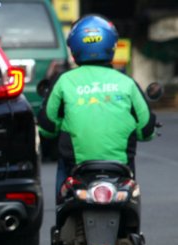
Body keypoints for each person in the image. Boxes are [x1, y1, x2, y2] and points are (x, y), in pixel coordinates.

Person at [37, 14, 157, 198]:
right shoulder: (127, 83)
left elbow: (47, 127)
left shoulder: (63, 81)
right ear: (112, 45)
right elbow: (146, 130)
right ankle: (132, 226)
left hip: (76, 168)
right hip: (120, 168)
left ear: (74, 48)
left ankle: (61, 214)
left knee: (62, 163)